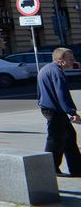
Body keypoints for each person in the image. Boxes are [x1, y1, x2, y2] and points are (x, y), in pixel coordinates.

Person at [38, 47, 81, 176]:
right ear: (61, 60)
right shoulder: (56, 72)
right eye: (71, 58)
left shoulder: (46, 69)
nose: (73, 61)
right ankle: (48, 169)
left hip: (51, 109)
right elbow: (62, 94)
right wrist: (72, 112)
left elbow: (40, 93)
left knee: (68, 137)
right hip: (54, 110)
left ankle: (76, 169)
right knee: (55, 139)